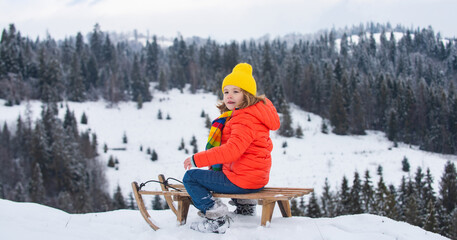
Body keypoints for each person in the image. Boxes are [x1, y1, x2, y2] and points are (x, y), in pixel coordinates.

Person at [182, 62, 280, 233]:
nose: (229, 96)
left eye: (236, 91)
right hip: (256, 179)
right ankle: (245, 207)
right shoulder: (253, 115)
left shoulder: (244, 119)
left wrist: (196, 159)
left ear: (247, 94)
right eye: (226, 91)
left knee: (191, 177)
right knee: (225, 171)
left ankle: (216, 217)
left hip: (243, 180)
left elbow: (232, 151)